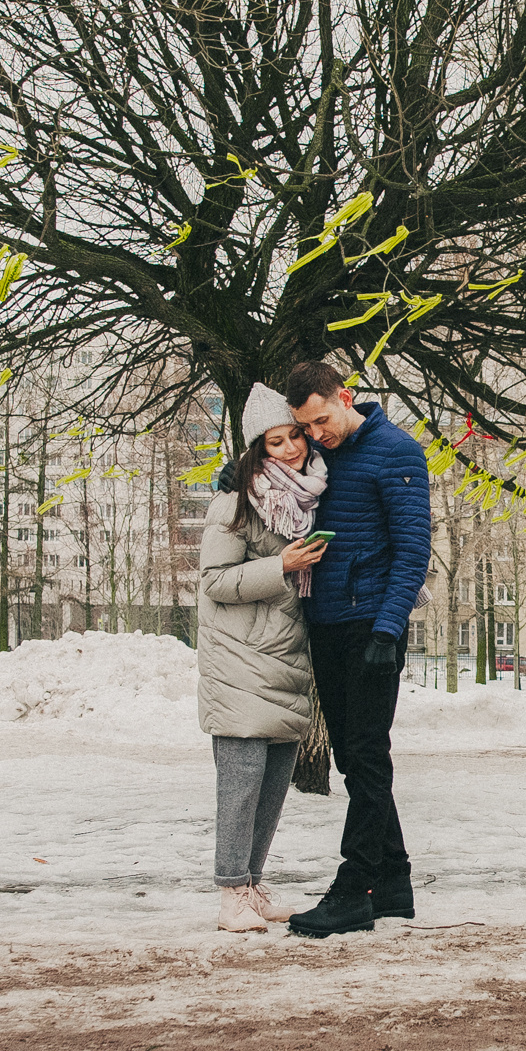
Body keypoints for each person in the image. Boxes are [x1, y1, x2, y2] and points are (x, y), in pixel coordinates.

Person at [276, 358, 433, 937]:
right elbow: (277, 473)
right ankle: (393, 878)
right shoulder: (320, 456)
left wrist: (388, 632)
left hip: (373, 625)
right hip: (328, 623)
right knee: (351, 756)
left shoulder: (396, 450)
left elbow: (413, 548)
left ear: (344, 396)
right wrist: (236, 476)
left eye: (320, 421)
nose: (316, 435)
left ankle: (355, 887)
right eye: (306, 426)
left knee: (366, 756)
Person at [195, 384, 328, 933]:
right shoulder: (236, 500)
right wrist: (282, 565)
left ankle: (251, 885)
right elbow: (214, 582)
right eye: (276, 442)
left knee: (272, 785)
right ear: (258, 448)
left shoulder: (312, 493)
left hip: (286, 657)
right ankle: (230, 894)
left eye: (295, 435)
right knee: (242, 780)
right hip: (241, 660)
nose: (291, 448)